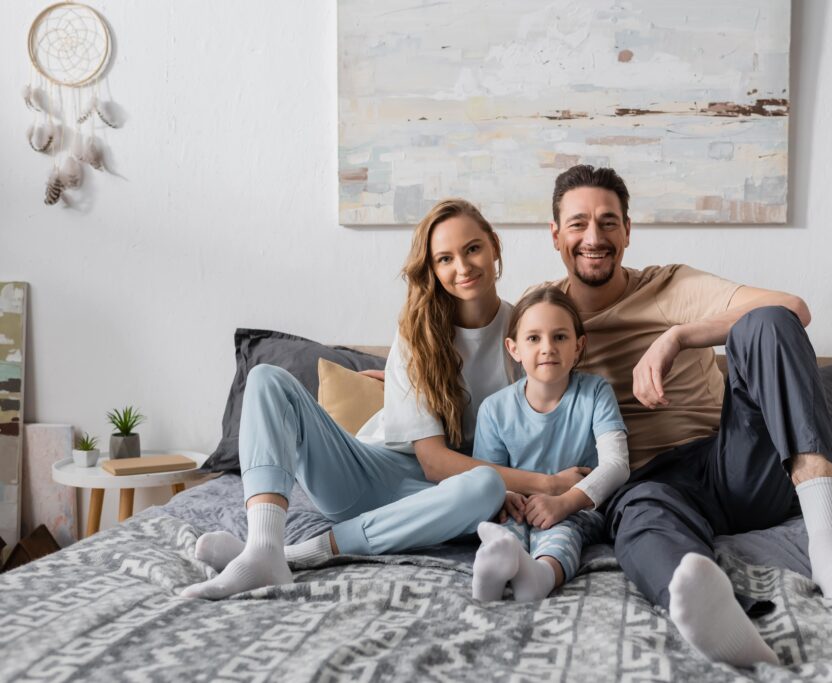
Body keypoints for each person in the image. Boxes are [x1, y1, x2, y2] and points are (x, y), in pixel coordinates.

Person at [538, 165, 832, 667]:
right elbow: (482, 376)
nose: (594, 237)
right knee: (642, 525)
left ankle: (828, 550)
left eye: (608, 222)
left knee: (768, 323)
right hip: (643, 482)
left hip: (731, 462)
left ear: (628, 231)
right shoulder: (543, 317)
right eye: (579, 223)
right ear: (556, 235)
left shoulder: (670, 285)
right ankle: (718, 614)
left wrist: (678, 335)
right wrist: (411, 381)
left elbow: (794, 306)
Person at [181, 198, 589, 600]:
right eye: (444, 259)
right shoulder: (418, 333)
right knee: (266, 379)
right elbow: (433, 460)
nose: (462, 267)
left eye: (472, 249)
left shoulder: (528, 336)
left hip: (444, 502)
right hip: (367, 475)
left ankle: (284, 556)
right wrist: (549, 483)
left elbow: (535, 429)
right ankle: (262, 546)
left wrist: (522, 486)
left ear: (494, 246)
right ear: (431, 268)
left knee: (485, 485)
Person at [470, 287, 630, 603]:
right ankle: (492, 573)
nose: (547, 348)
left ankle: (541, 576)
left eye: (559, 337)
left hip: (576, 507)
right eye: (534, 338)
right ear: (513, 348)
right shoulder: (494, 408)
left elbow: (617, 464)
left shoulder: (595, 393)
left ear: (578, 346)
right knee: (502, 529)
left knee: (561, 533)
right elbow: (486, 475)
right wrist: (509, 497)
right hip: (517, 506)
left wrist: (564, 502)